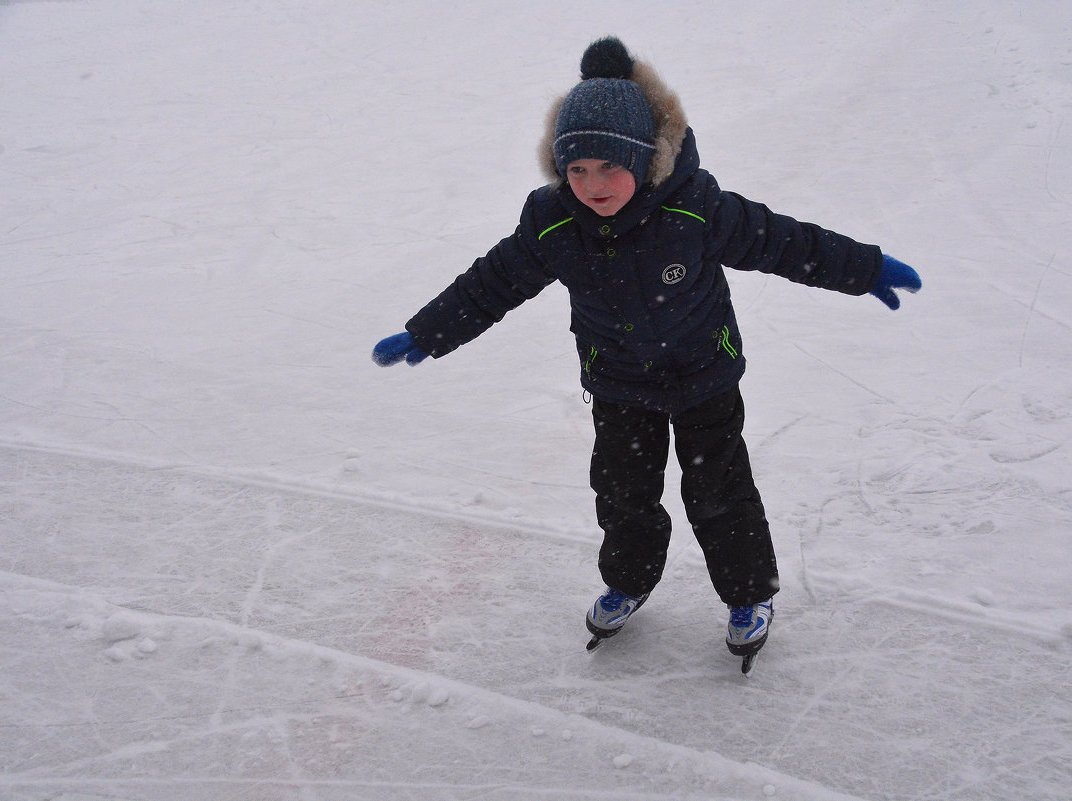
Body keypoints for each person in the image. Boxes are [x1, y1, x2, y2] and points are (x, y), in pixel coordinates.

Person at [372, 37, 921, 671]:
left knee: (720, 491)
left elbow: (785, 241)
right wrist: (429, 331)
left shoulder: (695, 208)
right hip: (619, 383)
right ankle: (630, 580)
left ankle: (748, 597)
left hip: (704, 377)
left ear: (644, 159)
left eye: (609, 167)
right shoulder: (552, 223)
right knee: (622, 490)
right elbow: (493, 281)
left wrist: (867, 268)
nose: (593, 186)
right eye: (576, 171)